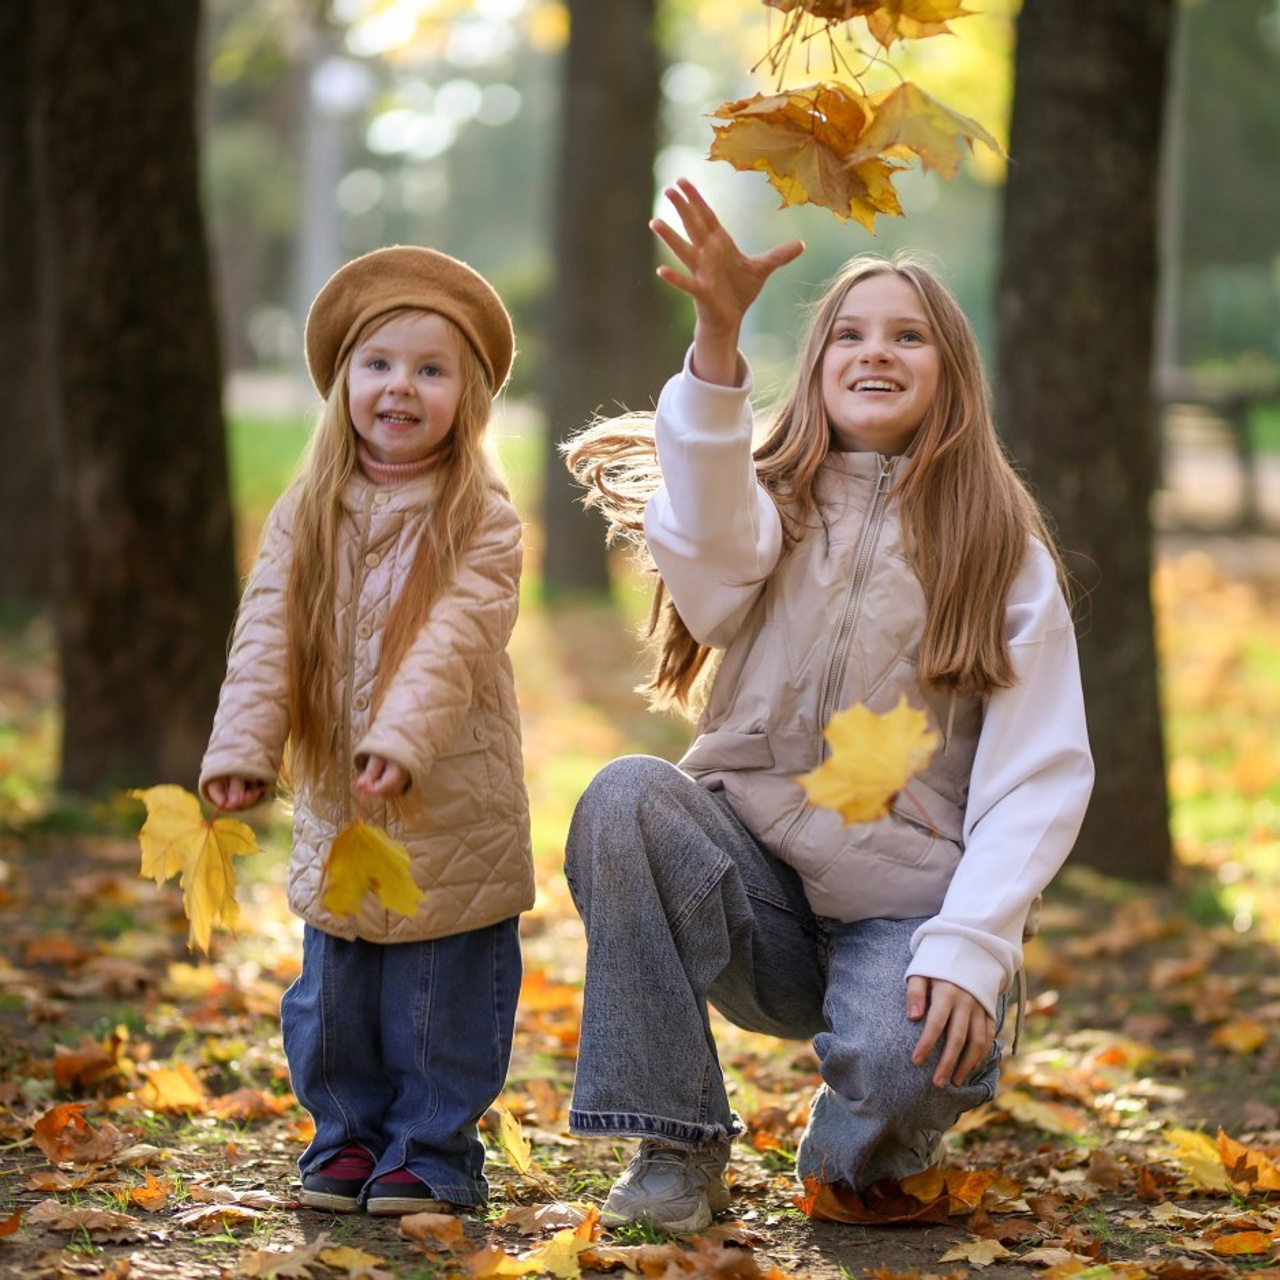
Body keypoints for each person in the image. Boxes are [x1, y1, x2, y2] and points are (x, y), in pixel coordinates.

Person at [561, 179, 1095, 1232]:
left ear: (951, 374)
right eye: (847, 332)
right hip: (751, 887)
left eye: (907, 335)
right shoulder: (769, 505)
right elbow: (706, 552)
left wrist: (973, 942)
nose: (874, 350)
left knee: (903, 1070)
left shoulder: (996, 550)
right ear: (813, 366)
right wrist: (717, 336)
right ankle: (674, 1145)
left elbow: (1037, 770)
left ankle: (861, 1145)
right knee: (623, 795)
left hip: (904, 910)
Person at [200, 246, 533, 1217]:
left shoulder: (483, 516)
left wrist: (401, 738)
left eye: (431, 370)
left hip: (446, 806)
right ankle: (344, 1136)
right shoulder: (306, 508)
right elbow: (265, 631)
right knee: (334, 999)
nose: (401, 387)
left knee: (436, 999)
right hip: (338, 809)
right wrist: (242, 748)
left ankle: (432, 1150)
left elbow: (455, 638)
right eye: (379, 364)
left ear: (465, 396)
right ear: (343, 381)